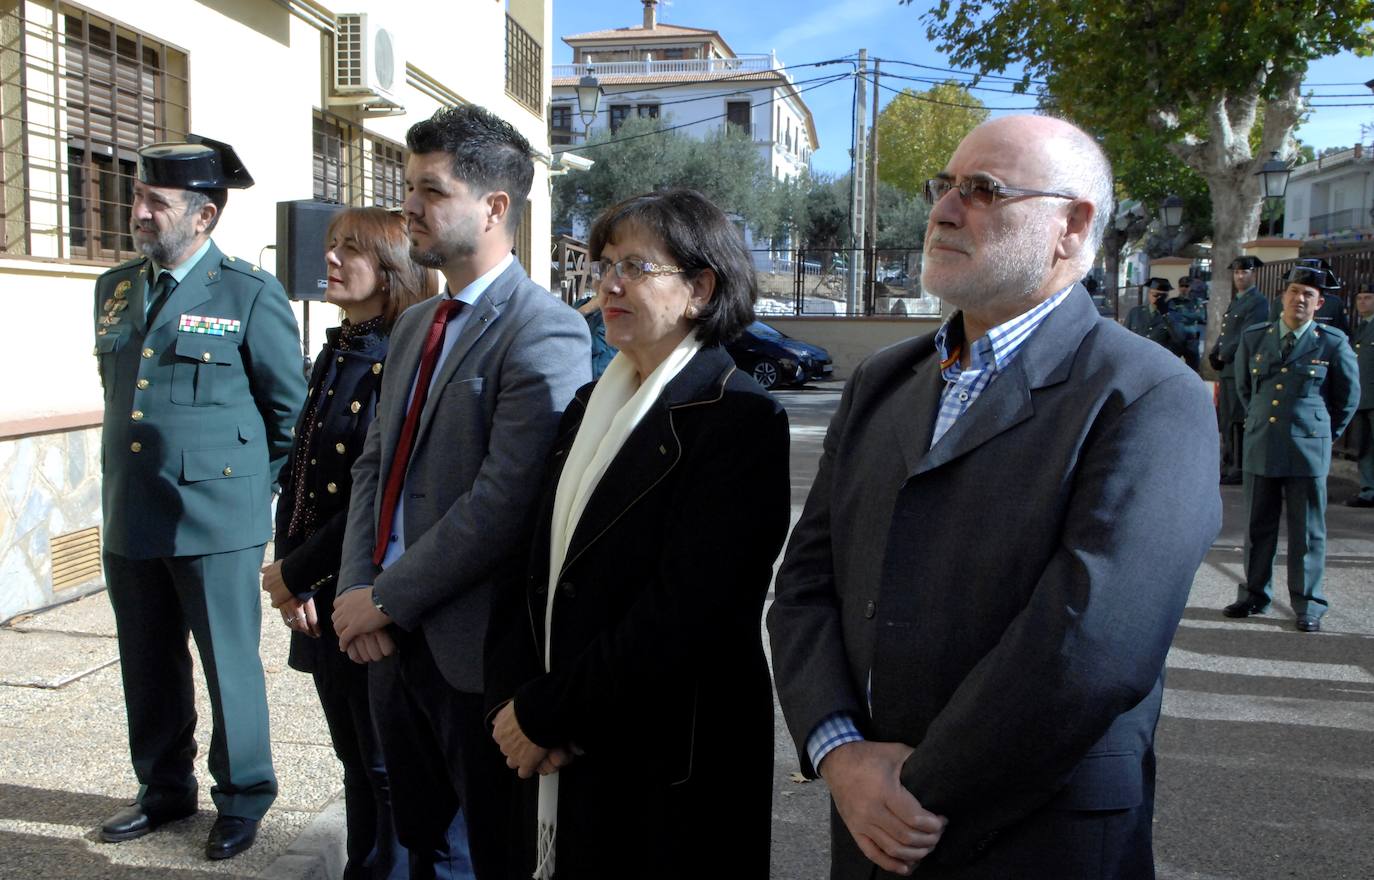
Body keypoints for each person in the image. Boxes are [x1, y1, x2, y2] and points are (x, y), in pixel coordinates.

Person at [767, 115, 1221, 880]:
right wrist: (841, 755)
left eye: (983, 191)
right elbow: (808, 586)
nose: (943, 210)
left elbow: (1091, 648)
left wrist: (905, 788)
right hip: (872, 829)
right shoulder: (884, 382)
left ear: (1071, 227)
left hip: (1036, 836)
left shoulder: (1148, 394)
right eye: (942, 186)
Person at [485, 189, 791, 879]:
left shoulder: (739, 419)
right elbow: (531, 563)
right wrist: (509, 702)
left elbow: (688, 612)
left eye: (636, 266)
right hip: (553, 740)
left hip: (660, 760)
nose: (609, 284)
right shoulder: (595, 400)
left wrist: (547, 714)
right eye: (604, 265)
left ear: (699, 289)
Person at [331, 104, 590, 880]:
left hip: (471, 652)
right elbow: (375, 468)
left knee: (480, 855)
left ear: (495, 207)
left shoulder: (544, 329)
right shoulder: (415, 325)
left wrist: (389, 598)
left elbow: (505, 501)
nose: (408, 205)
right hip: (386, 642)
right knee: (419, 841)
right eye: (408, 185)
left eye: (431, 190)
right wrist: (354, 590)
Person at [93, 135, 304, 859]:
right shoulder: (115, 286)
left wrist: (250, 495)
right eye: (139, 199)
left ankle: (244, 796)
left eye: (157, 202)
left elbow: (289, 414)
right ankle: (163, 791)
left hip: (217, 517)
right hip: (133, 508)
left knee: (229, 663)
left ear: (204, 216)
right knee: (146, 660)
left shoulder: (248, 292)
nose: (141, 212)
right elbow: (122, 392)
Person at [260, 207, 443, 879]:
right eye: (331, 246)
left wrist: (301, 572)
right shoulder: (341, 348)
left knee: (383, 763)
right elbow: (301, 476)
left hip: (360, 591)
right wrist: (290, 574)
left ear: (392, 268)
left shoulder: (396, 356)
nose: (331, 258)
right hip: (314, 589)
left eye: (351, 250)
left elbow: (375, 497)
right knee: (354, 760)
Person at [1225, 260, 1359, 632]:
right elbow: (1245, 390)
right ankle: (1254, 594)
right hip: (1263, 443)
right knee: (1256, 525)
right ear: (1282, 296)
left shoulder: (1332, 344)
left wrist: (1320, 436)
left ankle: (1308, 603)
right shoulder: (1255, 337)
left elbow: (1346, 400)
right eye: (1294, 292)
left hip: (1307, 449)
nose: (1299, 299)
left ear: (1318, 304)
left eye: (1308, 295)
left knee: (1307, 531)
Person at [1211, 255, 1271, 484]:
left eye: (1244, 272)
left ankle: (1239, 466)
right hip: (1228, 368)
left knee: (1237, 418)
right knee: (1226, 417)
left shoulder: (1258, 302)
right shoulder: (1237, 300)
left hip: (1240, 367)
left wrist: (1224, 353)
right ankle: (1227, 463)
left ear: (1253, 274)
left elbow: (1248, 334)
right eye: (1236, 273)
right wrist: (1215, 350)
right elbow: (1227, 331)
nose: (1239, 276)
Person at [1346, 284, 1374, 507]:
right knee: (1364, 446)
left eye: (1368, 298)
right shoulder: (1360, 328)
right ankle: (1368, 488)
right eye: (1360, 298)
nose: (1363, 302)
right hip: (1362, 397)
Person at [572, 293, 617, 378]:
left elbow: (596, 344)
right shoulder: (581, 303)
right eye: (598, 279)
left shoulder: (615, 309)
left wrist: (587, 309)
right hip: (577, 375)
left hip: (599, 378)